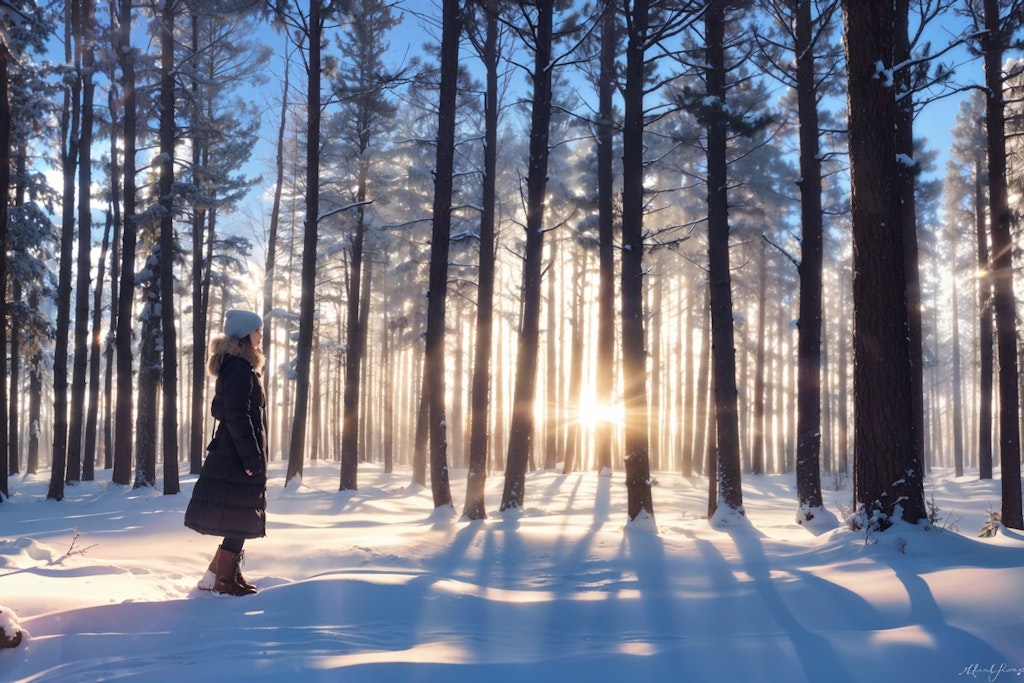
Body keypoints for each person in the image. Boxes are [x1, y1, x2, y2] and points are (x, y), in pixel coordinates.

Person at [185, 309, 268, 596]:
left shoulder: (238, 366)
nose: (261, 335)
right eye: (258, 330)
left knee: (239, 516)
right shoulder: (240, 369)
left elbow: (226, 411)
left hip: (234, 452)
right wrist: (251, 457)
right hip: (236, 455)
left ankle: (219, 576)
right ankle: (222, 582)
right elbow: (237, 415)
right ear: (246, 334)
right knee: (239, 516)